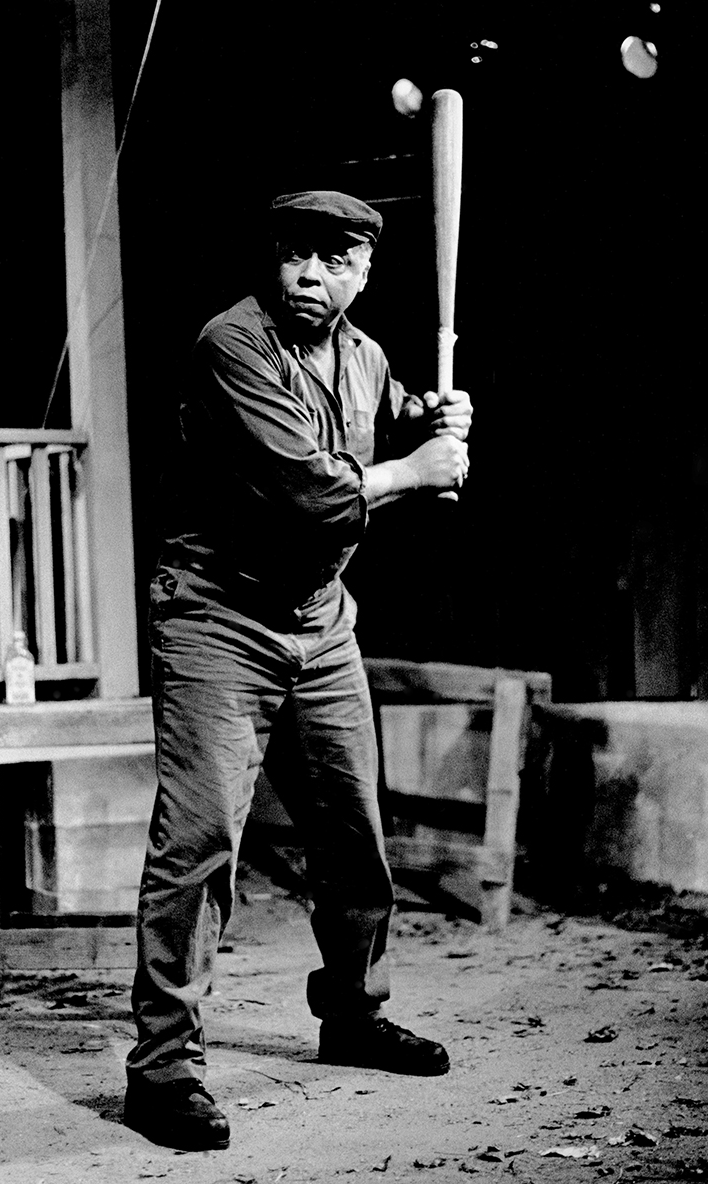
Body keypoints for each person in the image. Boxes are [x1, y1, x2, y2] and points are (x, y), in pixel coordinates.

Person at [124, 190, 473, 1152]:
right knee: (198, 844)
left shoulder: (363, 354)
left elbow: (391, 419)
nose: (310, 275)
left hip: (322, 624)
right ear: (272, 261)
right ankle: (162, 1072)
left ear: (363, 272)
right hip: (215, 616)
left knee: (354, 835)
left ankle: (354, 1015)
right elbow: (316, 493)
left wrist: (437, 416)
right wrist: (419, 470)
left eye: (334, 259)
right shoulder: (230, 346)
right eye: (294, 255)